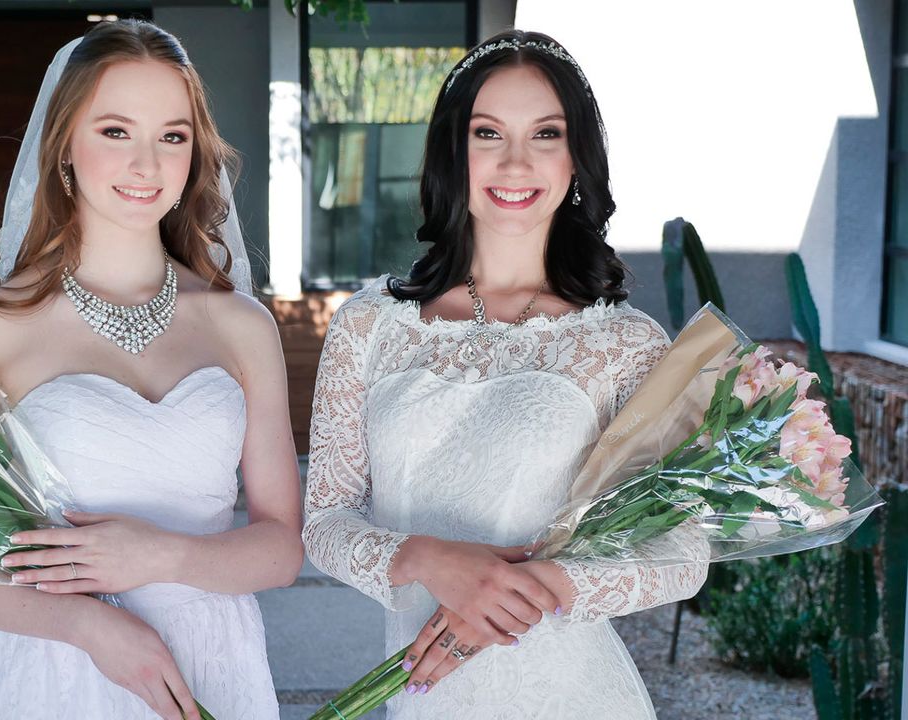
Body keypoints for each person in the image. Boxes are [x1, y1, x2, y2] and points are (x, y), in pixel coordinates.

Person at [303, 29, 709, 719]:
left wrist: (526, 590)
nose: (516, 162)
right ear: (452, 152)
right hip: (423, 701)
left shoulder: (625, 343)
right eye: (488, 133)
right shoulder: (367, 326)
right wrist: (429, 560)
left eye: (546, 134)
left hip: (576, 696)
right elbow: (324, 523)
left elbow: (682, 551)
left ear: (577, 157)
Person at [0, 20, 302, 720]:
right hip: (55, 668)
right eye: (116, 131)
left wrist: (164, 558)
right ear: (65, 144)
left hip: (212, 663)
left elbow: (281, 548)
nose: (146, 165)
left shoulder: (244, 325)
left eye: (172, 137)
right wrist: (91, 627)